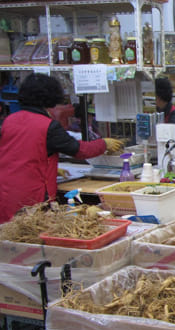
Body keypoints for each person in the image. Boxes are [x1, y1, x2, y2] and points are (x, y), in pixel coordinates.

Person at [0, 73, 123, 223]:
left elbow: (18, 153)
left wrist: (50, 167)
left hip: (6, 192)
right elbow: (79, 150)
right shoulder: (47, 126)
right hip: (32, 197)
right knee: (33, 235)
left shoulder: (10, 120)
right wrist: (104, 144)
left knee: (10, 238)